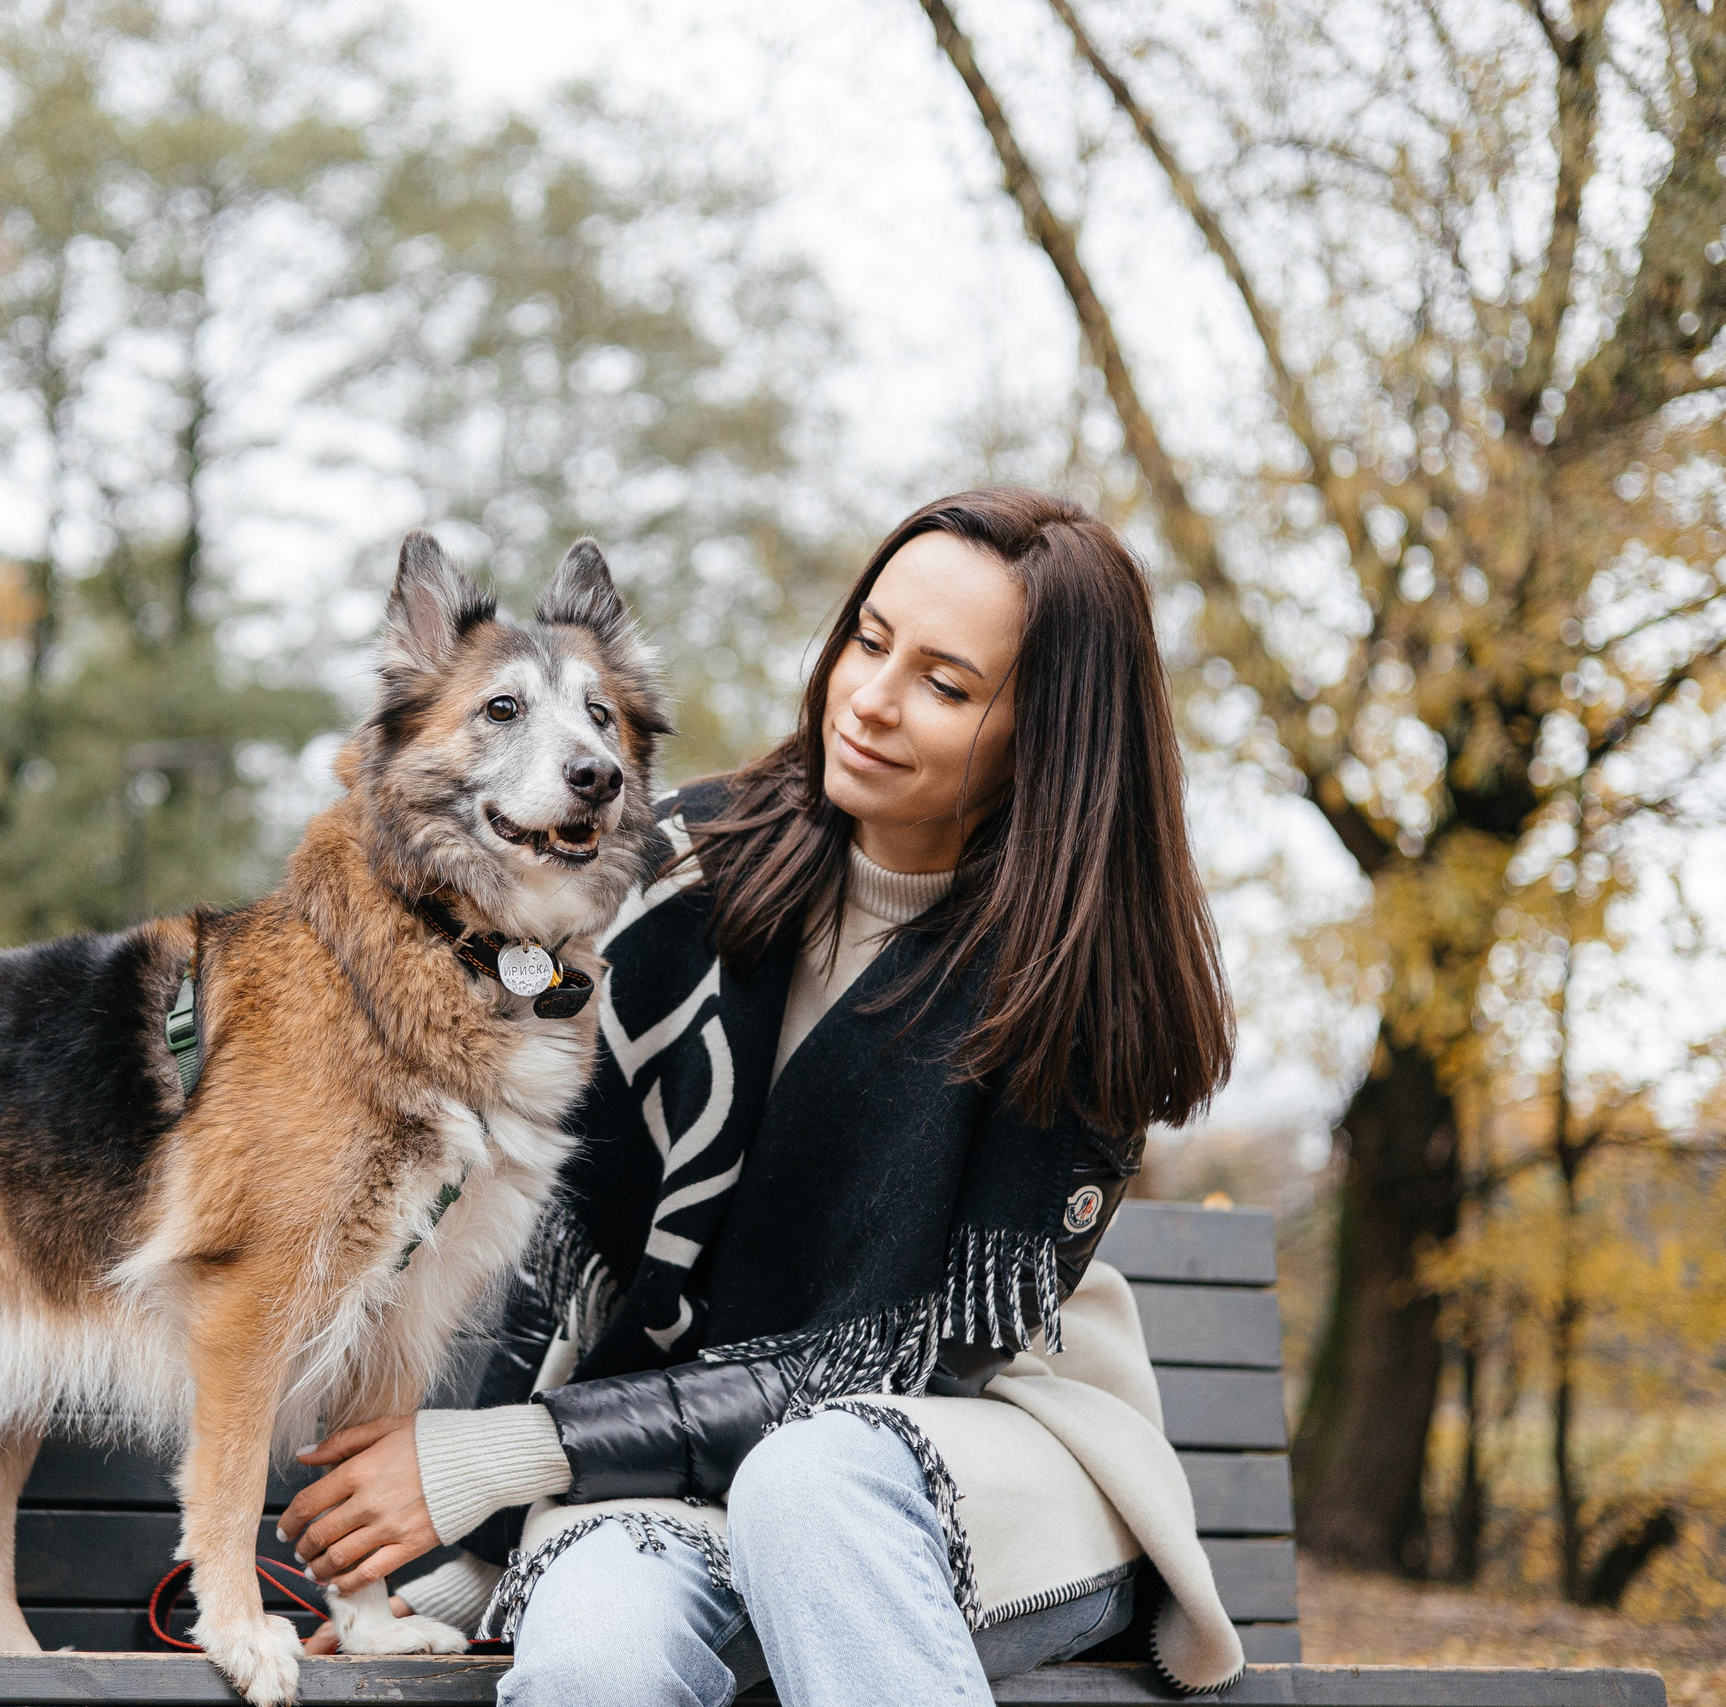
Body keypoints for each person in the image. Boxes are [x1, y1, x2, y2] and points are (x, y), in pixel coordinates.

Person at [277, 489, 1236, 1705]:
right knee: (596, 1656)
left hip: (976, 1468)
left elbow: (904, 1362)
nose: (870, 699)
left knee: (810, 1478)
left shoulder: (1073, 982)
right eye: (868, 641)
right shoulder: (671, 865)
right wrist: (466, 1565)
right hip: (661, 1472)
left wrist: (511, 1453)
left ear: (1045, 737)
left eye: (945, 686)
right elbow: (563, 1224)